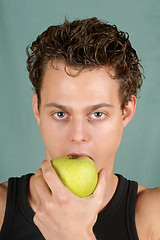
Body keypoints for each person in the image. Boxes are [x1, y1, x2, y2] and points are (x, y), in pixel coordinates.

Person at [0, 17, 159, 240]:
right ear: (37, 109)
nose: (77, 136)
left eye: (97, 114)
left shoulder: (153, 216)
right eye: (61, 114)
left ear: (126, 111)